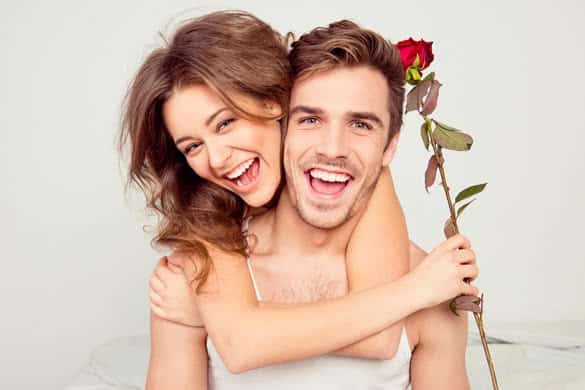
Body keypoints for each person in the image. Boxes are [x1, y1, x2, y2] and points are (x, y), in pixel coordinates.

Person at [119, 11, 479, 389]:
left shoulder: (435, 286)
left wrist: (421, 291)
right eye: (311, 120)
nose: (333, 147)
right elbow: (241, 342)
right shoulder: (196, 274)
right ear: (287, 121)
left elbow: (381, 338)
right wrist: (413, 293)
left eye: (361, 125)